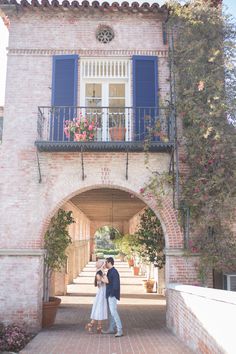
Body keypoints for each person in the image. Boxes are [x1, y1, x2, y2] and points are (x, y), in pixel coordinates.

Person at [85, 260, 108, 334]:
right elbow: (106, 281)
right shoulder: (99, 273)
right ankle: (93, 326)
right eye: (104, 264)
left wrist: (104, 273)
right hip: (101, 293)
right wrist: (104, 275)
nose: (105, 265)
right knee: (99, 309)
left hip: (103, 293)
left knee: (100, 309)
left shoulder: (101, 272)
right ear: (102, 265)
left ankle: (97, 326)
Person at [102, 257, 123, 337]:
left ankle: (120, 330)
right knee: (111, 313)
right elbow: (108, 282)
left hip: (112, 295)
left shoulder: (114, 272)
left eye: (106, 262)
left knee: (114, 312)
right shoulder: (110, 271)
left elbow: (115, 285)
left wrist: (112, 293)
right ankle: (111, 328)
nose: (105, 264)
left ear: (109, 262)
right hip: (110, 294)